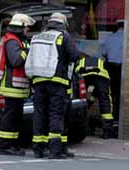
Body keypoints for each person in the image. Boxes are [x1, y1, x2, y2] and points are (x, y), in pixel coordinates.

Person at [26, 12, 79, 159]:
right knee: (55, 114)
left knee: (39, 113)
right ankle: (55, 150)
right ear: (62, 23)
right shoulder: (63, 36)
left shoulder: (36, 37)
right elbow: (74, 56)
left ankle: (38, 149)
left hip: (38, 81)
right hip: (57, 81)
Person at [0, 14, 35, 156]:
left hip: (17, 87)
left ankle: (13, 144)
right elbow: (16, 60)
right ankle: (6, 146)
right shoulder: (12, 41)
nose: (28, 29)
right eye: (26, 27)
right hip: (12, 86)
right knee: (10, 116)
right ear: (20, 27)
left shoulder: (16, 40)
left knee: (15, 117)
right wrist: (27, 52)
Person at [75, 55, 115, 139]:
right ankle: (107, 130)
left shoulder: (79, 61)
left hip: (85, 76)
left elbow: (76, 72)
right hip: (101, 77)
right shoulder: (101, 61)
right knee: (105, 100)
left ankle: (80, 124)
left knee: (81, 99)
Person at [100, 19, 124, 137]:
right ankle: (116, 123)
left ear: (118, 26)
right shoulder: (128, 38)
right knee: (119, 97)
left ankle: (109, 124)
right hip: (121, 70)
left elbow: (104, 53)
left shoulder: (109, 38)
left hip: (109, 69)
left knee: (110, 96)